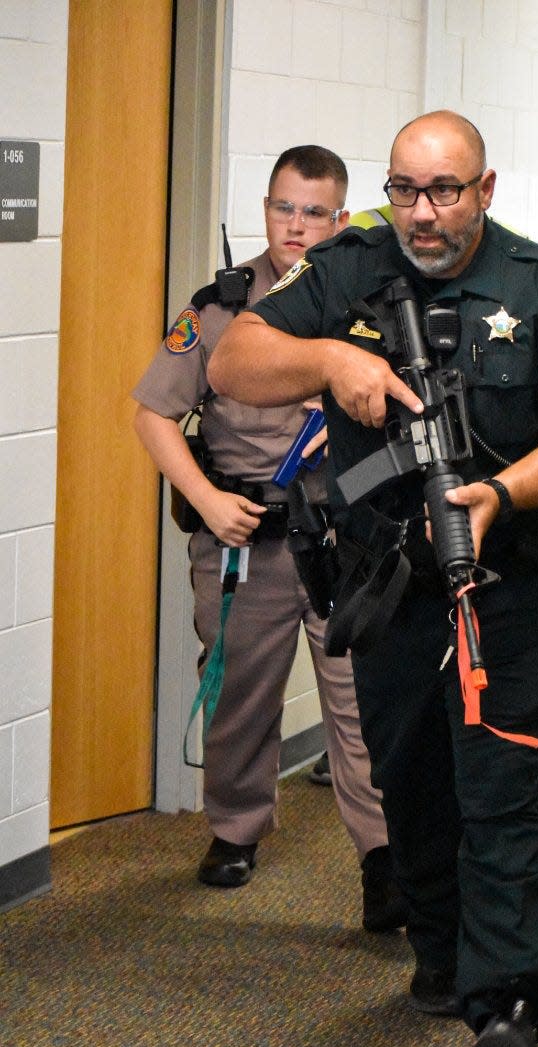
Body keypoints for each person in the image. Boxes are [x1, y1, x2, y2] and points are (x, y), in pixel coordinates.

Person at [207, 112, 538, 1047]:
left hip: (505, 585)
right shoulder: (351, 269)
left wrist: (501, 494)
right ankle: (441, 959)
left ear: (485, 189)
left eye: (444, 191)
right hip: (385, 583)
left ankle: (508, 1001)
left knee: (500, 788)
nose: (422, 212)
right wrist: (328, 359)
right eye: (403, 189)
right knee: (411, 782)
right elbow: (232, 363)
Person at [132, 144, 406, 934]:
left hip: (346, 537)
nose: (295, 225)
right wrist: (205, 498)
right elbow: (153, 412)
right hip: (244, 537)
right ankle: (235, 827)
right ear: (264, 209)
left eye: (314, 211)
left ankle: (381, 857)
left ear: (341, 219)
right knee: (241, 693)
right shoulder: (219, 308)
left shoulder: (372, 310)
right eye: (283, 207)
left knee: (359, 701)